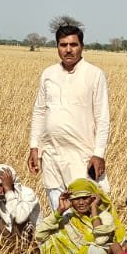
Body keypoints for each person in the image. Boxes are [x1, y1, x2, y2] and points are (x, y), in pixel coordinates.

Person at [28, 24, 111, 209]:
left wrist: (98, 154)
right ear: (57, 46)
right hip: (51, 154)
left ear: (81, 46)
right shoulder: (48, 74)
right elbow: (40, 111)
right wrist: (34, 146)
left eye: (73, 44)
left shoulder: (94, 74)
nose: (68, 49)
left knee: (86, 213)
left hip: (82, 156)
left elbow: (102, 118)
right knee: (59, 210)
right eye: (63, 44)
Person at [34, 178, 117, 254]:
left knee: (95, 250)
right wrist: (60, 210)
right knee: (49, 240)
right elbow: (39, 235)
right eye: (76, 199)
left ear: (93, 199)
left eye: (85, 198)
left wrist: (94, 211)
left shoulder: (104, 217)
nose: (81, 202)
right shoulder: (68, 220)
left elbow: (101, 240)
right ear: (71, 201)